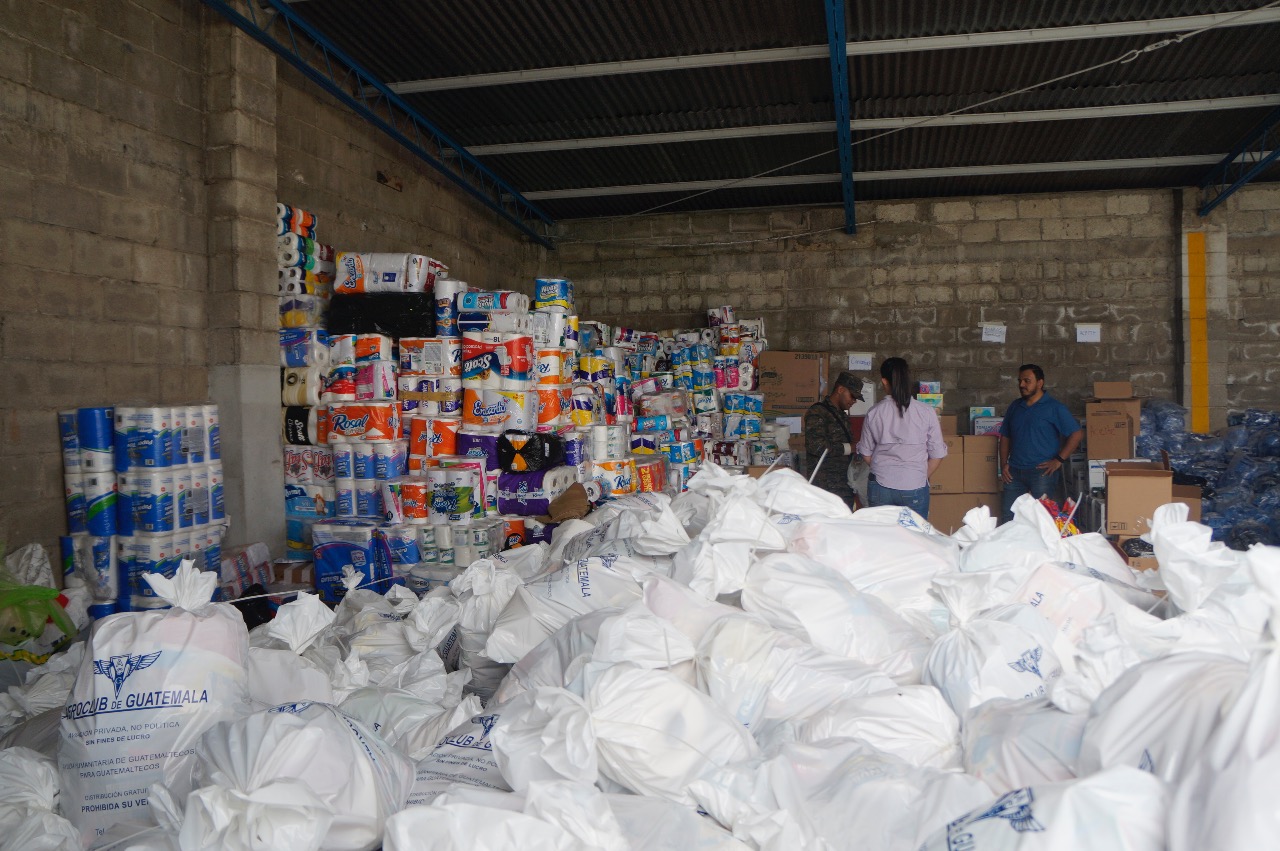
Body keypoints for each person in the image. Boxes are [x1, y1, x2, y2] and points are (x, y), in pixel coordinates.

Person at [856, 357, 947, 517]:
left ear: (884, 382)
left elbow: (866, 452)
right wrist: (918, 474)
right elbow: (937, 454)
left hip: (880, 485)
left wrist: (882, 469)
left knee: (882, 539)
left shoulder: (874, 412)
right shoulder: (926, 412)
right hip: (915, 485)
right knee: (914, 539)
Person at [999, 363, 1083, 523]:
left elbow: (1076, 433)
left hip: (1042, 473)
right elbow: (1005, 437)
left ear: (1040, 383)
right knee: (1009, 518)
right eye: (1020, 381)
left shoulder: (1054, 408)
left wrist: (1059, 460)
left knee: (1042, 519)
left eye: (1027, 380)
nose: (1021, 385)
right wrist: (1003, 464)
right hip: (1014, 473)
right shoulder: (1015, 407)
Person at [804, 370, 862, 510]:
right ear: (840, 390)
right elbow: (816, 446)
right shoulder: (817, 412)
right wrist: (849, 448)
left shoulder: (842, 415)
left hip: (843, 486)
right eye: (852, 396)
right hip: (825, 487)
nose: (853, 401)